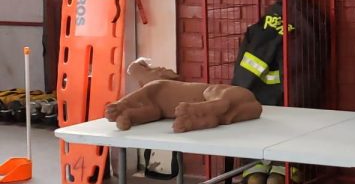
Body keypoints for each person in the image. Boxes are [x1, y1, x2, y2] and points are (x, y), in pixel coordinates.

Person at [105, 58, 263, 133]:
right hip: (235, 111)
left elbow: (137, 96)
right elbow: (152, 113)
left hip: (231, 98)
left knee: (214, 94)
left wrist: (120, 105)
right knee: (230, 113)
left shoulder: (158, 84)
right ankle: (200, 120)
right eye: (153, 69)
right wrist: (130, 116)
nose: (160, 68)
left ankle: (209, 107)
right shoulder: (157, 102)